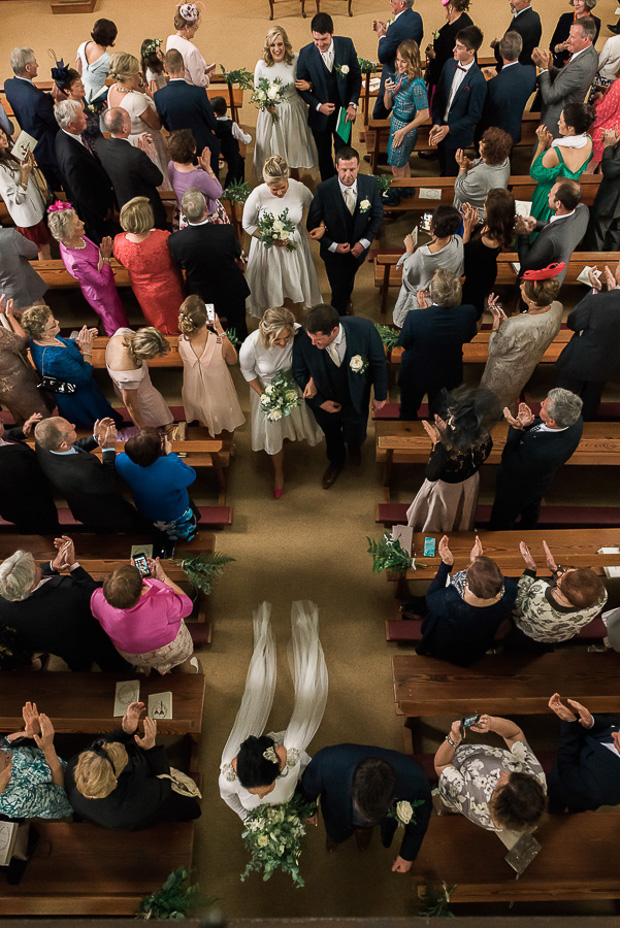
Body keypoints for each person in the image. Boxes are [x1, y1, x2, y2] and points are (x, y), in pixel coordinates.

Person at [219, 601, 327, 820]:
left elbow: (310, 770)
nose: (260, 799)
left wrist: (309, 806)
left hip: (281, 754)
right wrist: (245, 817)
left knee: (291, 740)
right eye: (254, 792)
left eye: (266, 790)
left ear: (279, 769)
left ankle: (277, 738)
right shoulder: (228, 779)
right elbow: (228, 797)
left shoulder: (293, 764)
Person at [292, 304, 387, 489]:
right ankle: (336, 461)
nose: (313, 344)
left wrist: (380, 396)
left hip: (356, 396)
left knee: (357, 428)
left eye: (318, 340)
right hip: (325, 400)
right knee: (332, 434)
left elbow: (378, 363)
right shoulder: (304, 338)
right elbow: (299, 372)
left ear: (334, 330)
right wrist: (320, 402)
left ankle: (355, 447)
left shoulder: (365, 329)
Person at [65, 702, 201, 830]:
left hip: (102, 811)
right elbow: (164, 783)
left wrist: (125, 731)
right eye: (121, 758)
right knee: (188, 808)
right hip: (135, 817)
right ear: (115, 780)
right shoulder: (135, 798)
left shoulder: (76, 767)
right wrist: (151, 749)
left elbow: (101, 744)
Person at [0, 536, 129, 671]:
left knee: (78, 664)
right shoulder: (69, 593)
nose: (38, 565)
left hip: (59, 646)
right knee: (112, 664)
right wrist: (73, 565)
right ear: (31, 584)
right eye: (36, 565)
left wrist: (51, 566)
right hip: (91, 638)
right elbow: (93, 594)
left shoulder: (3, 601)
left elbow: (20, 578)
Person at [301, 744, 431, 871]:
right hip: (338, 813)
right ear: (354, 789)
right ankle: (334, 839)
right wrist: (308, 810)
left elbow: (421, 817)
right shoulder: (328, 762)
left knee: (366, 828)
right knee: (335, 832)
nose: (367, 820)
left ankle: (364, 832)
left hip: (381, 820)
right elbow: (308, 786)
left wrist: (407, 855)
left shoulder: (416, 781)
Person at [240, 308, 323, 498]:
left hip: (294, 385)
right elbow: (248, 373)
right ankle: (278, 472)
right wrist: (265, 396)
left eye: (287, 338)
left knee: (298, 421)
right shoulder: (251, 345)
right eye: (277, 340)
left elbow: (313, 357)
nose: (283, 343)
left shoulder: (300, 332)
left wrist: (311, 380)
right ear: (266, 333)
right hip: (267, 390)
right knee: (274, 433)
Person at [410, 535, 518, 665]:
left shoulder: (451, 601)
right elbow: (488, 583)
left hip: (448, 641)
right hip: (478, 642)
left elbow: (432, 597)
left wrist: (446, 564)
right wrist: (477, 563)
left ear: (468, 584)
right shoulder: (510, 591)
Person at [405, 385, 499, 530]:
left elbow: (432, 474)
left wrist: (437, 443)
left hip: (446, 490)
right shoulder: (482, 436)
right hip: (470, 481)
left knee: (443, 516)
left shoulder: (449, 449)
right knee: (462, 512)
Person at [435, 713, 547, 834]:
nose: (502, 772)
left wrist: (453, 739)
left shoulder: (472, 800)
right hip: (481, 753)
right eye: (514, 774)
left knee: (444, 804)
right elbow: (514, 735)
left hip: (453, 761)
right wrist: (492, 723)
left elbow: (442, 765)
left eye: (499, 785)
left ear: (495, 800)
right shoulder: (535, 782)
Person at [34, 416, 148, 534]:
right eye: (70, 429)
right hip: (103, 511)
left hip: (82, 499)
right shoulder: (84, 472)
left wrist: (96, 438)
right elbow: (108, 482)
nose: (74, 425)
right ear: (62, 444)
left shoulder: (44, 444)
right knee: (131, 526)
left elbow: (73, 448)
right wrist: (108, 448)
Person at [489, 389, 584, 530]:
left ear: (551, 420)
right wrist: (528, 424)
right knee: (531, 506)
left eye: (544, 405)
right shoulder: (575, 419)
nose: (540, 403)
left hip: (518, 485)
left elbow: (509, 458)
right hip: (540, 479)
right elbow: (543, 426)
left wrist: (516, 426)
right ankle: (528, 526)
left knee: (503, 515)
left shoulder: (541, 453)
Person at [243, 155, 322, 320]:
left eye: (283, 187)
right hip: (268, 251)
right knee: (272, 291)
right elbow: (248, 225)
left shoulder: (300, 189)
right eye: (274, 189)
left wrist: (321, 226)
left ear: (287, 179)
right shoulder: (257, 195)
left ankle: (294, 323)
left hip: (294, 248)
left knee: (294, 288)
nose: (279, 192)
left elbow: (317, 210)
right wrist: (269, 238)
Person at [307, 146, 383, 316]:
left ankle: (345, 298)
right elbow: (311, 225)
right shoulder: (324, 190)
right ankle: (338, 315)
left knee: (349, 279)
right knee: (337, 286)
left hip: (358, 251)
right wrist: (333, 245)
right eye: (343, 170)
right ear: (336, 167)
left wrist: (364, 243)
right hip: (333, 253)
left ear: (358, 167)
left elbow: (377, 216)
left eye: (352, 169)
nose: (348, 175)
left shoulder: (370, 185)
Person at [20, 305, 122, 429]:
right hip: (78, 395)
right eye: (53, 324)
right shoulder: (54, 358)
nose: (58, 322)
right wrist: (87, 350)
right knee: (95, 420)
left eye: (54, 319)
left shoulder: (41, 338)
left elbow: (62, 342)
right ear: (44, 334)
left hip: (74, 385)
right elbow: (84, 377)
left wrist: (78, 341)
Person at [91, 556, 197, 672]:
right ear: (141, 590)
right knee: (176, 623)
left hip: (131, 654)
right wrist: (163, 578)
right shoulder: (161, 598)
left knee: (146, 662)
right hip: (166, 650)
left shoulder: (97, 600)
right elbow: (187, 606)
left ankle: (148, 669)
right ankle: (182, 665)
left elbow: (111, 594)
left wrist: (130, 579)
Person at [168, 188, 249, 341]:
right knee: (238, 325)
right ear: (206, 209)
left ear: (183, 213)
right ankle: (240, 351)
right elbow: (236, 254)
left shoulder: (176, 240)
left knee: (208, 329)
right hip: (231, 289)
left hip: (202, 294)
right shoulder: (226, 231)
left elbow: (180, 264)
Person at [397, 269, 478, 420]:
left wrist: (424, 313)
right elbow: (468, 336)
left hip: (416, 373)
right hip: (448, 372)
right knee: (440, 414)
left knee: (408, 410)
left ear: (432, 293)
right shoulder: (468, 313)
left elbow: (405, 342)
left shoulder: (416, 317)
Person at [481, 266, 564, 411]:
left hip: (502, 372)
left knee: (489, 403)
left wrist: (497, 323)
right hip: (527, 367)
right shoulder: (557, 307)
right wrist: (508, 325)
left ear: (531, 299)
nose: (520, 286)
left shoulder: (515, 324)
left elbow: (494, 350)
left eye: (524, 287)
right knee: (511, 397)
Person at [46, 200, 129, 336]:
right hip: (100, 294)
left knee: (118, 313)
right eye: (78, 224)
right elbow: (102, 282)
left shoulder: (75, 238)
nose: (83, 223)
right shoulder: (76, 262)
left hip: (104, 283)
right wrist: (106, 257)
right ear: (68, 232)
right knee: (113, 321)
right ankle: (119, 339)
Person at [296, 12, 362, 180]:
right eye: (316, 40)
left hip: (343, 114)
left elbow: (355, 77)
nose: (320, 44)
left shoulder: (346, 45)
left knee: (343, 153)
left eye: (324, 39)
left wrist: (353, 104)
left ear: (332, 32)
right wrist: (318, 106)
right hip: (320, 115)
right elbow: (301, 87)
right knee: (324, 156)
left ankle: (344, 184)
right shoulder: (306, 53)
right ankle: (329, 186)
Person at [511, 541, 608, 650]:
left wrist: (531, 569)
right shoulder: (601, 596)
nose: (563, 571)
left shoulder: (538, 596)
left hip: (532, 634)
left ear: (560, 592)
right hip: (563, 635)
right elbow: (576, 589)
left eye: (563, 575)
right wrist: (556, 569)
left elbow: (517, 604)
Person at [113, 196, 184, 335]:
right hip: (170, 286)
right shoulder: (163, 238)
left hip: (143, 291)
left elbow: (120, 261)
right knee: (177, 317)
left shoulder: (119, 242)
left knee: (154, 318)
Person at [253, 25, 317, 177]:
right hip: (272, 115)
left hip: (293, 110)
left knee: (295, 150)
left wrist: (309, 85)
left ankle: (295, 182)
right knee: (275, 153)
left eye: (280, 44)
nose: (277, 49)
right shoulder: (261, 65)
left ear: (285, 44)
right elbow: (258, 91)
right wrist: (266, 103)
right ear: (267, 47)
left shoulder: (295, 59)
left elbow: (310, 80)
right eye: (273, 45)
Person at [555, 268, 620, 419]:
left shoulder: (598, 300)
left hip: (580, 360)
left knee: (561, 404)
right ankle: (584, 429)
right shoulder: (604, 299)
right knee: (591, 402)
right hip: (608, 364)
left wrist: (595, 290)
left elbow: (574, 322)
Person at [178, 295, 245, 436]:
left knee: (203, 416)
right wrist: (220, 330)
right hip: (218, 394)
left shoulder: (181, 341)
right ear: (206, 320)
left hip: (193, 394)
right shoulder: (217, 342)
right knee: (223, 416)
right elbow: (233, 360)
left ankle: (207, 432)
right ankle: (227, 441)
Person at [115, 429, 197, 541]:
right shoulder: (170, 466)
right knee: (182, 530)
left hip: (146, 511)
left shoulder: (122, 461)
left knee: (157, 533)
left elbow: (119, 457)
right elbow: (190, 475)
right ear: (159, 450)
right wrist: (171, 455)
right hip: (174, 511)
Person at [53, 99, 116, 244]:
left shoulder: (62, 135)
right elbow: (83, 193)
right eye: (81, 116)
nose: (86, 117)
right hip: (94, 215)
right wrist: (102, 212)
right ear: (71, 125)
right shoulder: (72, 157)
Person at [94, 108, 167, 230]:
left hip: (123, 208)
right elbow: (157, 179)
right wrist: (147, 154)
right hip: (147, 213)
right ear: (125, 129)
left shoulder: (100, 146)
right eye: (129, 120)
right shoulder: (136, 156)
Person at [547, 694, 620, 813]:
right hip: (581, 751)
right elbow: (612, 723)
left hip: (564, 785)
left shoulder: (606, 786)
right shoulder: (617, 736)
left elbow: (566, 769)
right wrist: (591, 721)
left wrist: (569, 722)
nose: (616, 732)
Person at [429, 25, 487, 177]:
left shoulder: (478, 80)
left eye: (459, 47)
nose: (454, 50)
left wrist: (449, 129)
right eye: (455, 45)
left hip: (457, 136)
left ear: (471, 51)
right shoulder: (449, 65)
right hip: (439, 128)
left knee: (451, 174)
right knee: (440, 167)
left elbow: (474, 116)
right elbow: (438, 97)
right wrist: (436, 122)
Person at [392, 204, 463, 327]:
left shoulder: (423, 254)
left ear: (435, 226)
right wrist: (435, 234)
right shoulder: (457, 241)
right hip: (445, 297)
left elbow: (408, 274)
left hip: (422, 300)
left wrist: (409, 249)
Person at [106, 53, 170, 188]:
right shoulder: (136, 100)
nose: (138, 76)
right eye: (136, 73)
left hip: (127, 144)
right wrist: (153, 98)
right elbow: (157, 125)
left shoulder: (112, 90)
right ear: (130, 76)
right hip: (147, 144)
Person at [0, 702, 72, 820]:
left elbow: (5, 742)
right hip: (75, 788)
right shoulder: (17, 801)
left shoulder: (3, 756)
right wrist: (48, 749)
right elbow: (61, 798)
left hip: (58, 757)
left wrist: (28, 734)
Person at [4, 47, 61, 192]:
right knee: (60, 183)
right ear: (28, 67)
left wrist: (50, 96)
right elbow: (54, 124)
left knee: (49, 183)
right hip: (48, 146)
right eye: (35, 62)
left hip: (29, 141)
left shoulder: (9, 85)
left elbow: (32, 106)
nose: (37, 65)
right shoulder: (38, 98)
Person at [154, 50, 220, 174]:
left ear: (165, 68)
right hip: (202, 147)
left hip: (178, 149)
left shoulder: (159, 96)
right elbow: (212, 123)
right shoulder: (198, 92)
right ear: (183, 66)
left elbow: (167, 125)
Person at [529, 104, 595, 226]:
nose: (558, 123)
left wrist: (542, 144)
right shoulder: (588, 142)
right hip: (568, 198)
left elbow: (534, 172)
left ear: (570, 128)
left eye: (561, 121)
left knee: (534, 232)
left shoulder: (555, 152)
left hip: (548, 197)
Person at [532, 19, 599, 138]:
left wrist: (543, 69)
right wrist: (551, 67)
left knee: (543, 156)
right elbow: (566, 77)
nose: (567, 40)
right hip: (560, 117)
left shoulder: (582, 65)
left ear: (585, 38)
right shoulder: (590, 53)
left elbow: (549, 96)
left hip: (556, 123)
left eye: (572, 36)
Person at [517, 180, 589, 286]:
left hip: (538, 285)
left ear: (558, 203)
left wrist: (523, 234)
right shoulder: (583, 210)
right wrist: (537, 224)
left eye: (551, 193)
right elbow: (558, 223)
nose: (548, 194)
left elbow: (526, 263)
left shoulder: (550, 238)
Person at [383, 40, 429, 201]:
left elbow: (425, 115)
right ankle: (407, 188)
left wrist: (402, 131)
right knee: (401, 162)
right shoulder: (399, 75)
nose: (399, 64)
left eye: (404, 61)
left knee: (396, 166)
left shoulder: (417, 85)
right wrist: (387, 92)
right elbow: (388, 105)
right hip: (395, 123)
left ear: (413, 61)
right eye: (398, 60)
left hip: (405, 128)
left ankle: (398, 194)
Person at [0, 412, 58, 533]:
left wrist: (23, 429)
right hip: (28, 504)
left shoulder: (3, 439)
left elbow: (6, 435)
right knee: (43, 531)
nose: (2, 422)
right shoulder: (11, 460)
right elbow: (34, 478)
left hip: (25, 500)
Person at [105, 328, 173, 430]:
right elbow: (131, 405)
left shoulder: (123, 334)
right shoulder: (128, 374)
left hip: (139, 388)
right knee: (155, 423)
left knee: (162, 416)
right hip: (141, 398)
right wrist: (143, 429)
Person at [461, 190, 516, 318]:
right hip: (486, 268)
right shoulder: (499, 224)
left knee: (473, 303)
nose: (484, 205)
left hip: (479, 275)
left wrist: (467, 229)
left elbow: (465, 257)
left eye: (485, 204)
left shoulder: (489, 240)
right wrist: (474, 225)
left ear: (490, 212)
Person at [0, 126, 51, 260]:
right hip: (28, 218)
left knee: (46, 248)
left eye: (2, 134)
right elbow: (16, 199)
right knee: (41, 253)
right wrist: (24, 173)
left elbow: (31, 178)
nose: (4, 138)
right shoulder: (0, 169)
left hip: (36, 209)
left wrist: (29, 161)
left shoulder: (10, 151)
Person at [0, 295, 52, 425]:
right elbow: (21, 341)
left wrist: (2, 315)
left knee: (22, 418)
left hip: (6, 385)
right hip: (16, 383)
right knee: (41, 418)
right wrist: (10, 316)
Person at [477, 32, 537, 145]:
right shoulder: (530, 72)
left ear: (500, 52)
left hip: (492, 138)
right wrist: (498, 77)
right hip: (513, 132)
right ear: (520, 49)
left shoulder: (492, 85)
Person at [372, 0, 424, 120]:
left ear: (401, 3)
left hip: (393, 74)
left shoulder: (396, 27)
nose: (390, 2)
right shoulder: (417, 18)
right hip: (412, 72)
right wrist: (389, 34)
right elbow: (403, 38)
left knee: (379, 114)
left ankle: (376, 134)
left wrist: (382, 36)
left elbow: (383, 56)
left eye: (392, 0)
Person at [166, 129, 223, 223]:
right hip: (202, 216)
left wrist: (198, 167)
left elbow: (185, 175)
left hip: (184, 212)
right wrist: (208, 167)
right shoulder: (200, 177)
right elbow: (218, 193)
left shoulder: (171, 166)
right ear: (194, 149)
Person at [453, 127, 512, 217]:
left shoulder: (479, 174)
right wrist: (471, 165)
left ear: (489, 152)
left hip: (477, 215)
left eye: (483, 143)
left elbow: (460, 192)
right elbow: (482, 161)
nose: (479, 142)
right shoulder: (503, 159)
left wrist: (462, 167)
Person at [425, 0, 473, 108]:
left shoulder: (460, 28)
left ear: (451, 7)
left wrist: (434, 55)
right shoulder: (460, 22)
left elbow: (452, 59)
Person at [582, 127, 620, 249]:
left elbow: (610, 169)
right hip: (614, 205)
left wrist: (608, 146)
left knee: (596, 245)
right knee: (611, 244)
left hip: (611, 204)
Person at [52, 62, 102, 149]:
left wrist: (98, 112)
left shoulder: (84, 100)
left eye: (81, 83)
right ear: (67, 91)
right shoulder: (68, 111)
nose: (83, 86)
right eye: (78, 85)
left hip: (101, 146)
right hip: (87, 152)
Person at [165, 1, 214, 88]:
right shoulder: (191, 50)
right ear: (187, 27)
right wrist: (209, 75)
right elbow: (199, 82)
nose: (196, 30)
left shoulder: (170, 39)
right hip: (190, 93)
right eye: (195, 27)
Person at [0, 228, 47, 308]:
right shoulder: (9, 234)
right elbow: (32, 251)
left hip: (6, 300)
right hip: (28, 291)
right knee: (43, 318)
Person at [76, 18, 118, 106]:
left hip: (80, 93)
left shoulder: (83, 46)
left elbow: (78, 73)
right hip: (97, 99)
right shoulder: (108, 60)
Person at [211, 96, 251, 187]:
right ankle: (233, 189)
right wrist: (247, 134)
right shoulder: (232, 125)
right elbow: (245, 140)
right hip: (230, 152)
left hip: (216, 151)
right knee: (238, 164)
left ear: (214, 113)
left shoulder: (212, 124)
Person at [549, 0, 601, 70]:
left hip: (577, 67)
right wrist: (561, 47)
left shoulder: (595, 23)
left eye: (580, 0)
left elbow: (588, 50)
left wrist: (573, 47)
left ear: (589, 2)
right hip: (557, 64)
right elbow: (552, 46)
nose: (576, 3)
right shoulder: (565, 18)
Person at [491, 0, 542, 68]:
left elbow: (508, 53)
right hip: (529, 69)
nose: (511, 2)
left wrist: (497, 46)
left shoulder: (518, 26)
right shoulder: (535, 16)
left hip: (514, 70)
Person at [589, 73, 620, 166]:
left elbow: (604, 111)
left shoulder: (618, 84)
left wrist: (589, 122)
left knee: (588, 172)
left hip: (606, 132)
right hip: (615, 132)